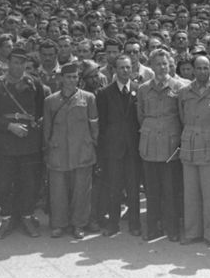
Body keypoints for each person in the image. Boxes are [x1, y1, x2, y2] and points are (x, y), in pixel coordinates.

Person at [0, 47, 45, 239]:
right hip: (6, 141)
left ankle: (27, 217)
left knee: (29, 182)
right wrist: (10, 126)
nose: (19, 66)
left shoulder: (34, 83)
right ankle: (6, 218)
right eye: (15, 62)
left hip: (29, 141)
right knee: (4, 183)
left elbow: (40, 111)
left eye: (22, 63)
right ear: (8, 63)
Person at [42, 61, 98, 239]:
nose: (72, 80)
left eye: (75, 77)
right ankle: (59, 224)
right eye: (68, 77)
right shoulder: (51, 101)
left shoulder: (88, 98)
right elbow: (47, 129)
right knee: (58, 190)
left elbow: (94, 126)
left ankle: (79, 224)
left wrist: (90, 144)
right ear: (61, 79)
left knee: (81, 190)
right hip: (59, 151)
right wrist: (50, 147)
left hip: (82, 150)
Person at [136, 48, 186, 242]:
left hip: (170, 143)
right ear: (151, 66)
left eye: (165, 63)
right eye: (158, 64)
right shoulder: (143, 89)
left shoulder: (179, 87)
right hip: (149, 144)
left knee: (170, 189)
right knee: (152, 189)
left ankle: (172, 228)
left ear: (170, 64)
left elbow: (183, 117)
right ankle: (152, 227)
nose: (162, 67)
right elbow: (140, 116)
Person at [177, 54, 210, 246]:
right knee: (190, 193)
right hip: (190, 145)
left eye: (206, 68)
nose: (202, 71)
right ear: (193, 70)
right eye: (198, 68)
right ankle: (192, 232)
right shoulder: (184, 91)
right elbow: (183, 118)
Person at [96, 54, 142, 236]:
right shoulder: (105, 93)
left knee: (133, 189)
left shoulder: (139, 90)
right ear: (114, 70)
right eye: (121, 68)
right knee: (114, 188)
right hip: (114, 149)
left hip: (133, 148)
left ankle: (135, 225)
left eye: (128, 67)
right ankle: (113, 224)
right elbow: (102, 125)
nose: (125, 71)